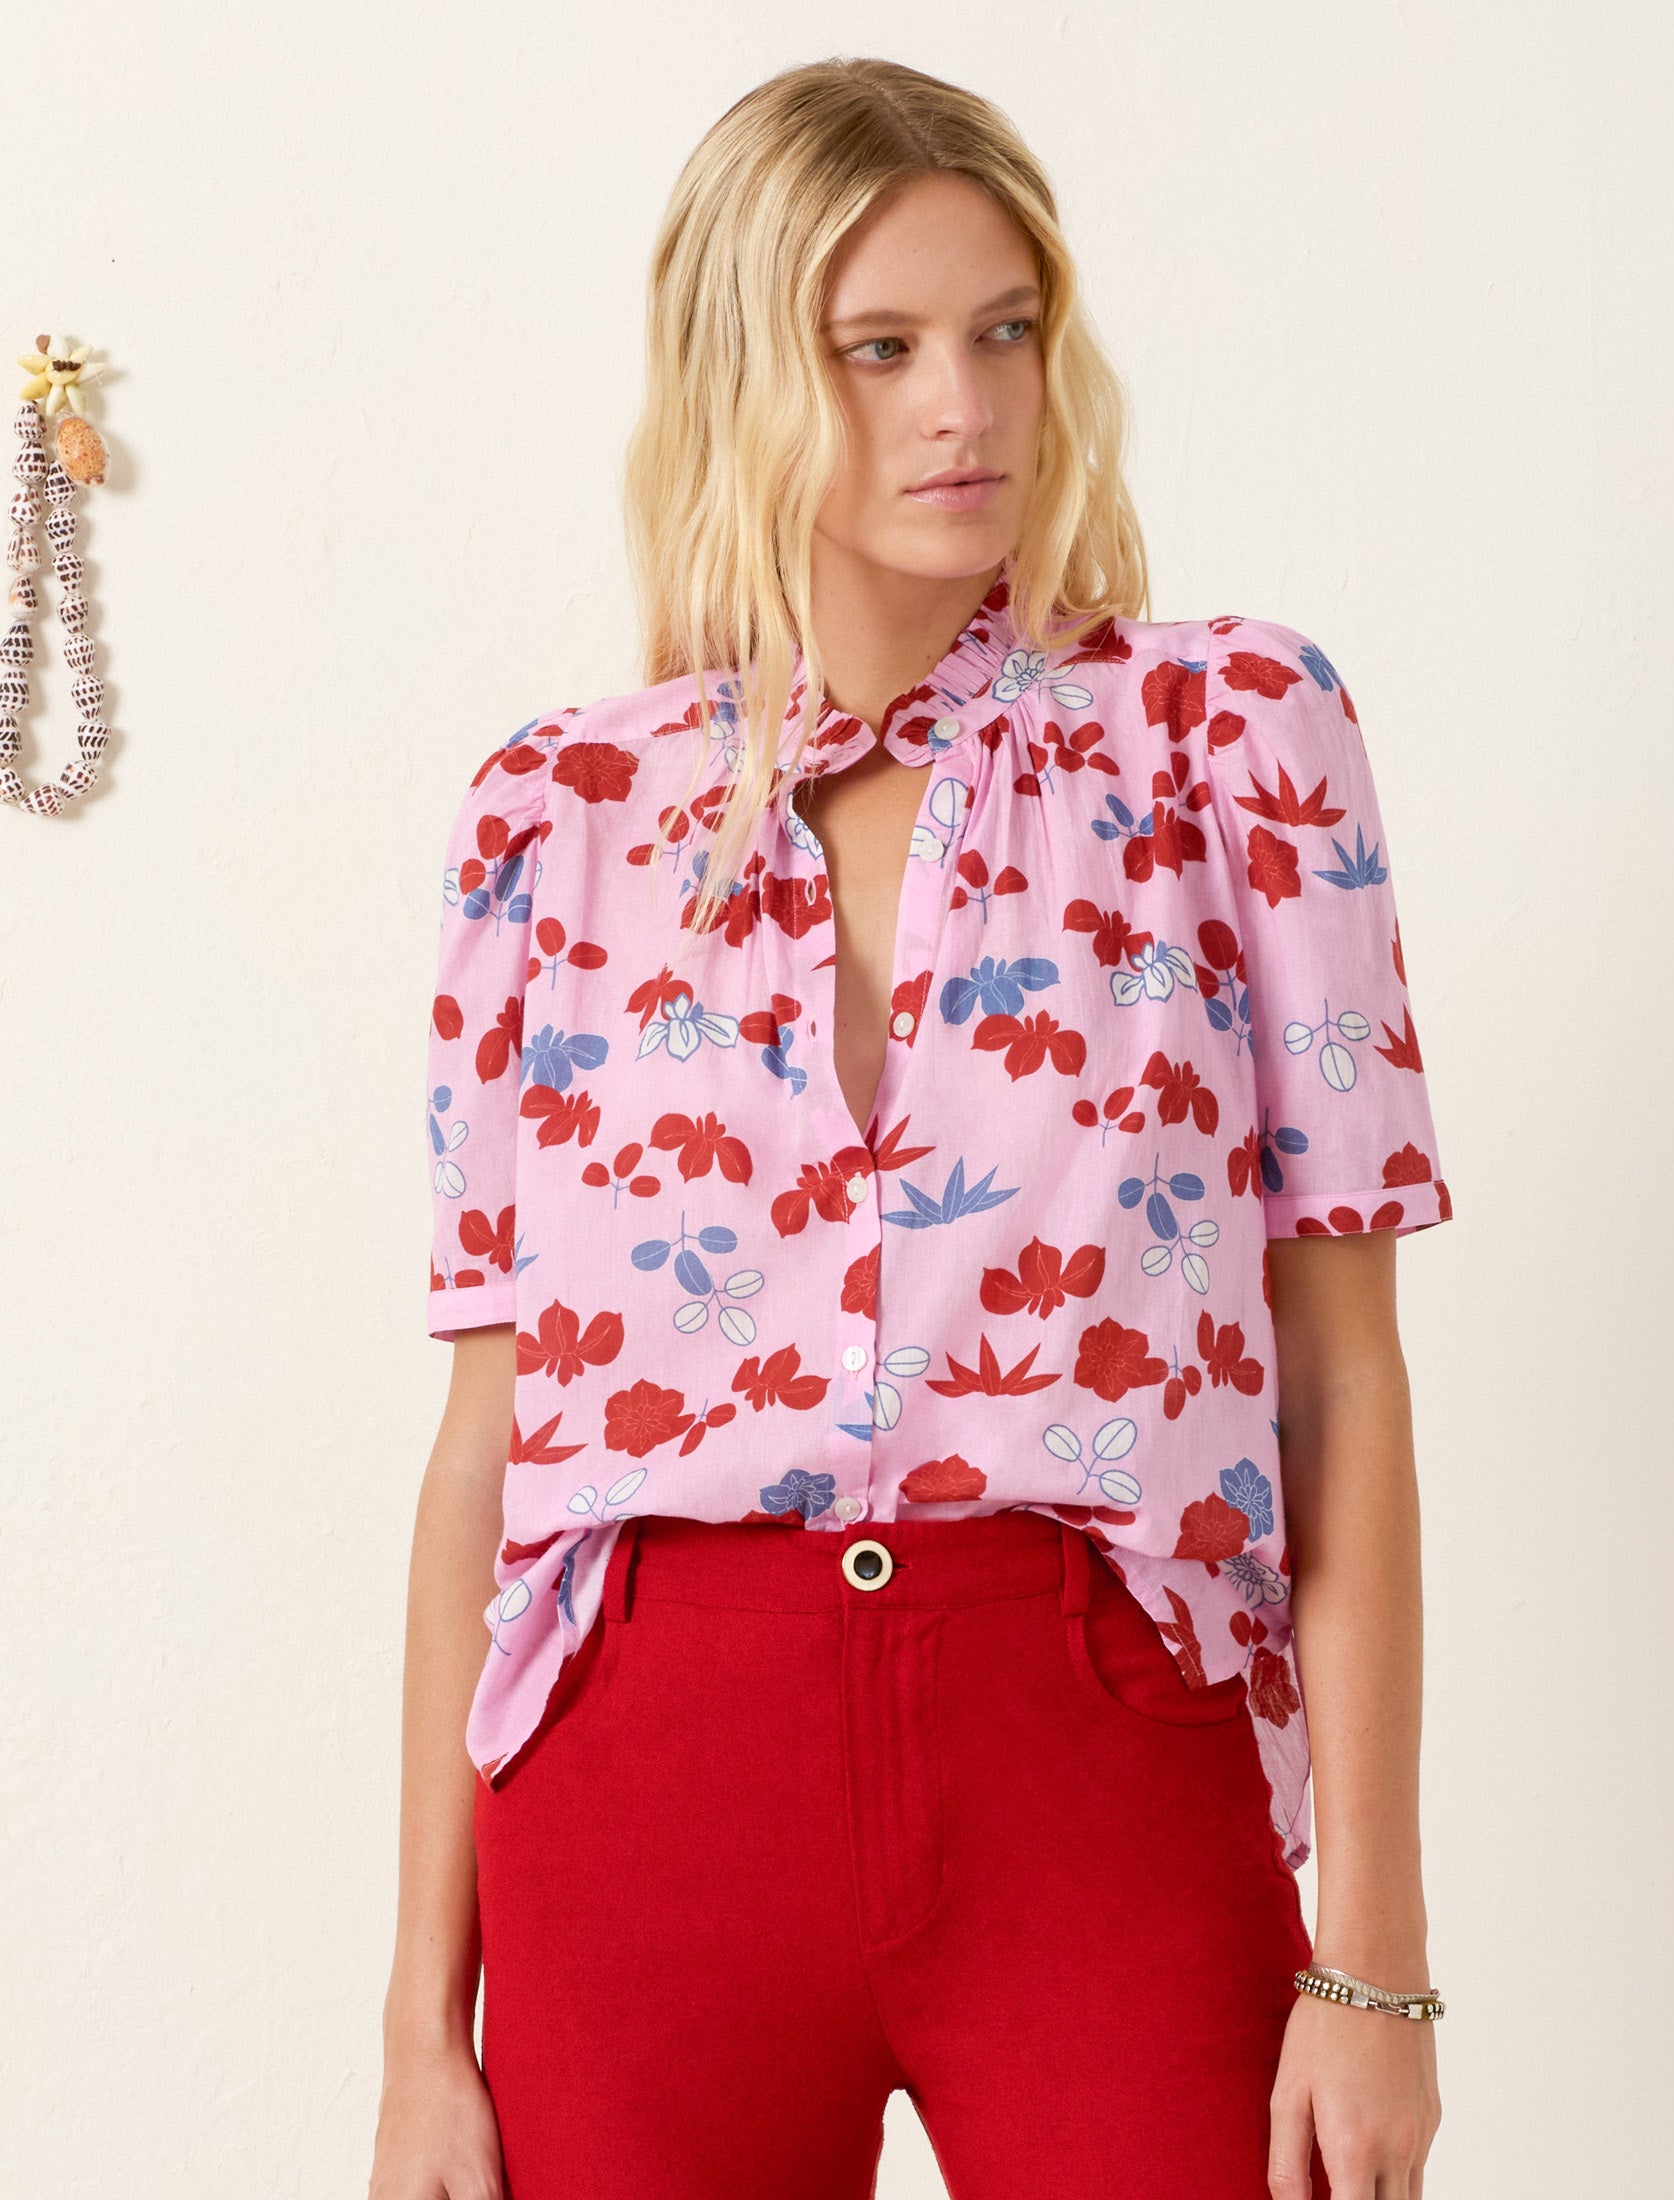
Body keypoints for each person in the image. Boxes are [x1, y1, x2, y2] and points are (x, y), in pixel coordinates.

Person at [370, 56, 1449, 2200]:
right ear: (744, 375)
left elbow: (1339, 1372)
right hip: (647, 1784)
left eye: (1004, 329)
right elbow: (489, 1444)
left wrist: (1378, 1958)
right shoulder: (556, 816)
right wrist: (421, 2028)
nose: (963, 405)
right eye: (878, 350)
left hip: (1097, 1761)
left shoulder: (1230, 735)